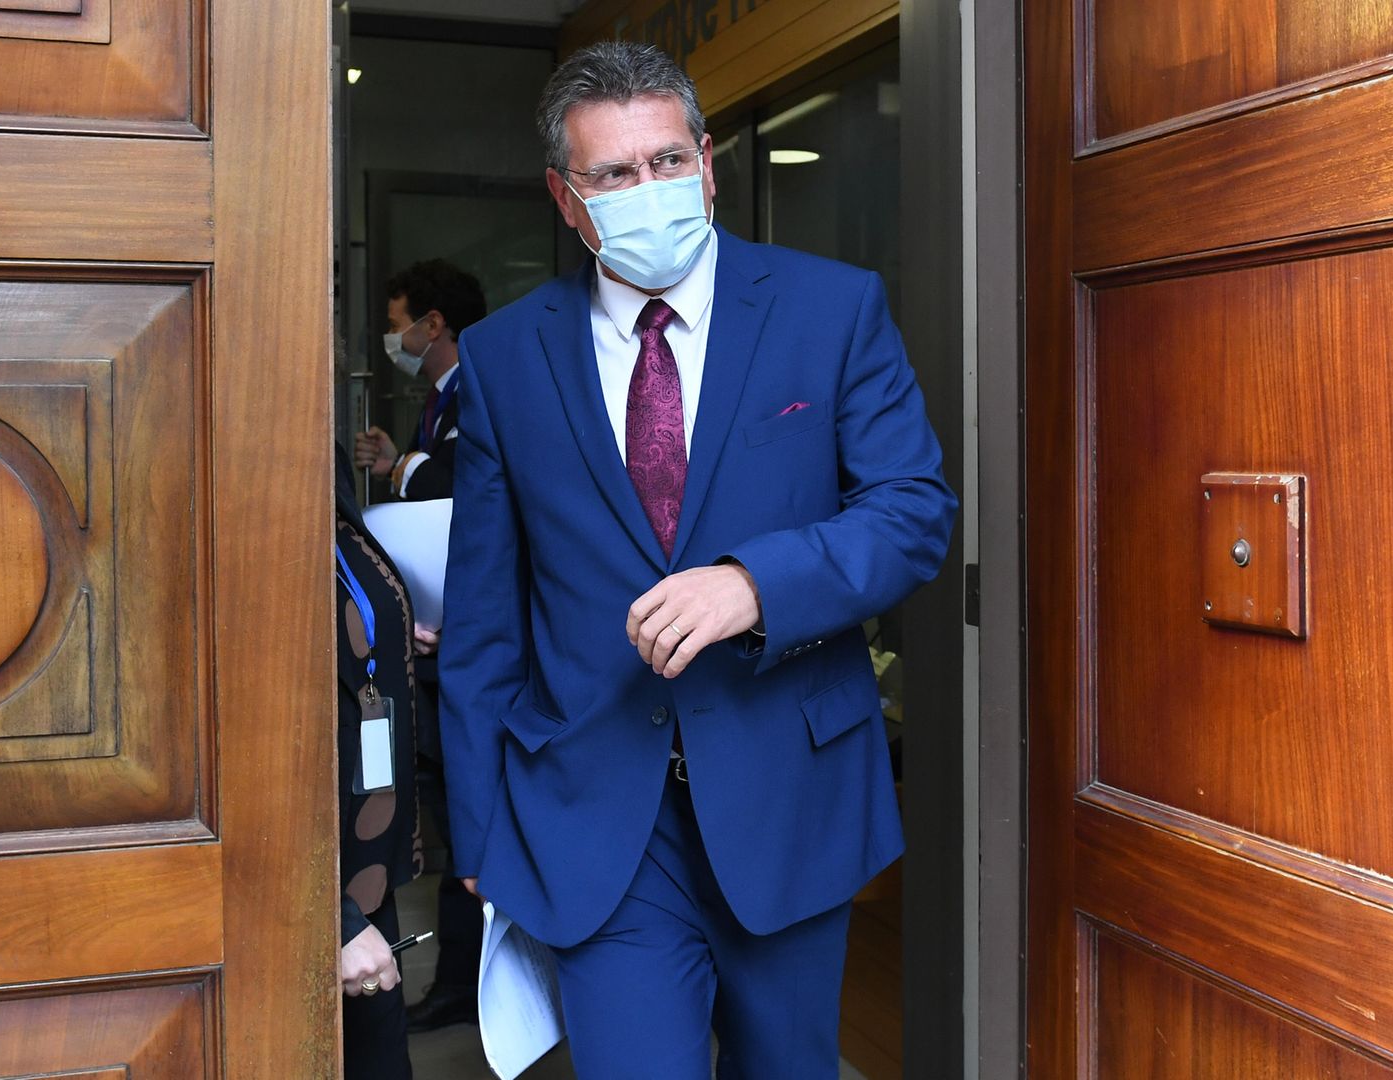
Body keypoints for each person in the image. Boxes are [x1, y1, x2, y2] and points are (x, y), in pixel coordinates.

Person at [438, 41, 956, 1078]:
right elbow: (485, 623)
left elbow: (912, 513)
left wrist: (757, 583)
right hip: (592, 818)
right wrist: (480, 836)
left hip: (789, 798)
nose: (650, 190)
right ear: (565, 198)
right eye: (615, 175)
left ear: (709, 164)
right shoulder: (504, 358)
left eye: (668, 161)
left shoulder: (831, 309)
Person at [355, 259, 490, 1031]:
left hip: (465, 644)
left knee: (464, 816)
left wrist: (403, 465)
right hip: (433, 642)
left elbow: (461, 486)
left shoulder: (481, 388)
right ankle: (461, 983)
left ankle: (465, 987)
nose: (395, 336)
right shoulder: (435, 398)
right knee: (444, 809)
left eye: (401, 318)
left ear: (432, 324)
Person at [334, 446, 426, 1080]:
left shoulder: (317, 446)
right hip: (312, 885)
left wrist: (402, 628)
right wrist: (333, 922)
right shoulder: (237, 482)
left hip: (362, 869)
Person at [354, 259, 486, 501]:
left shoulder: (480, 395)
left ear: (432, 325)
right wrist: (395, 463)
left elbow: (460, 491)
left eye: (395, 326)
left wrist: (407, 464)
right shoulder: (440, 394)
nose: (390, 338)